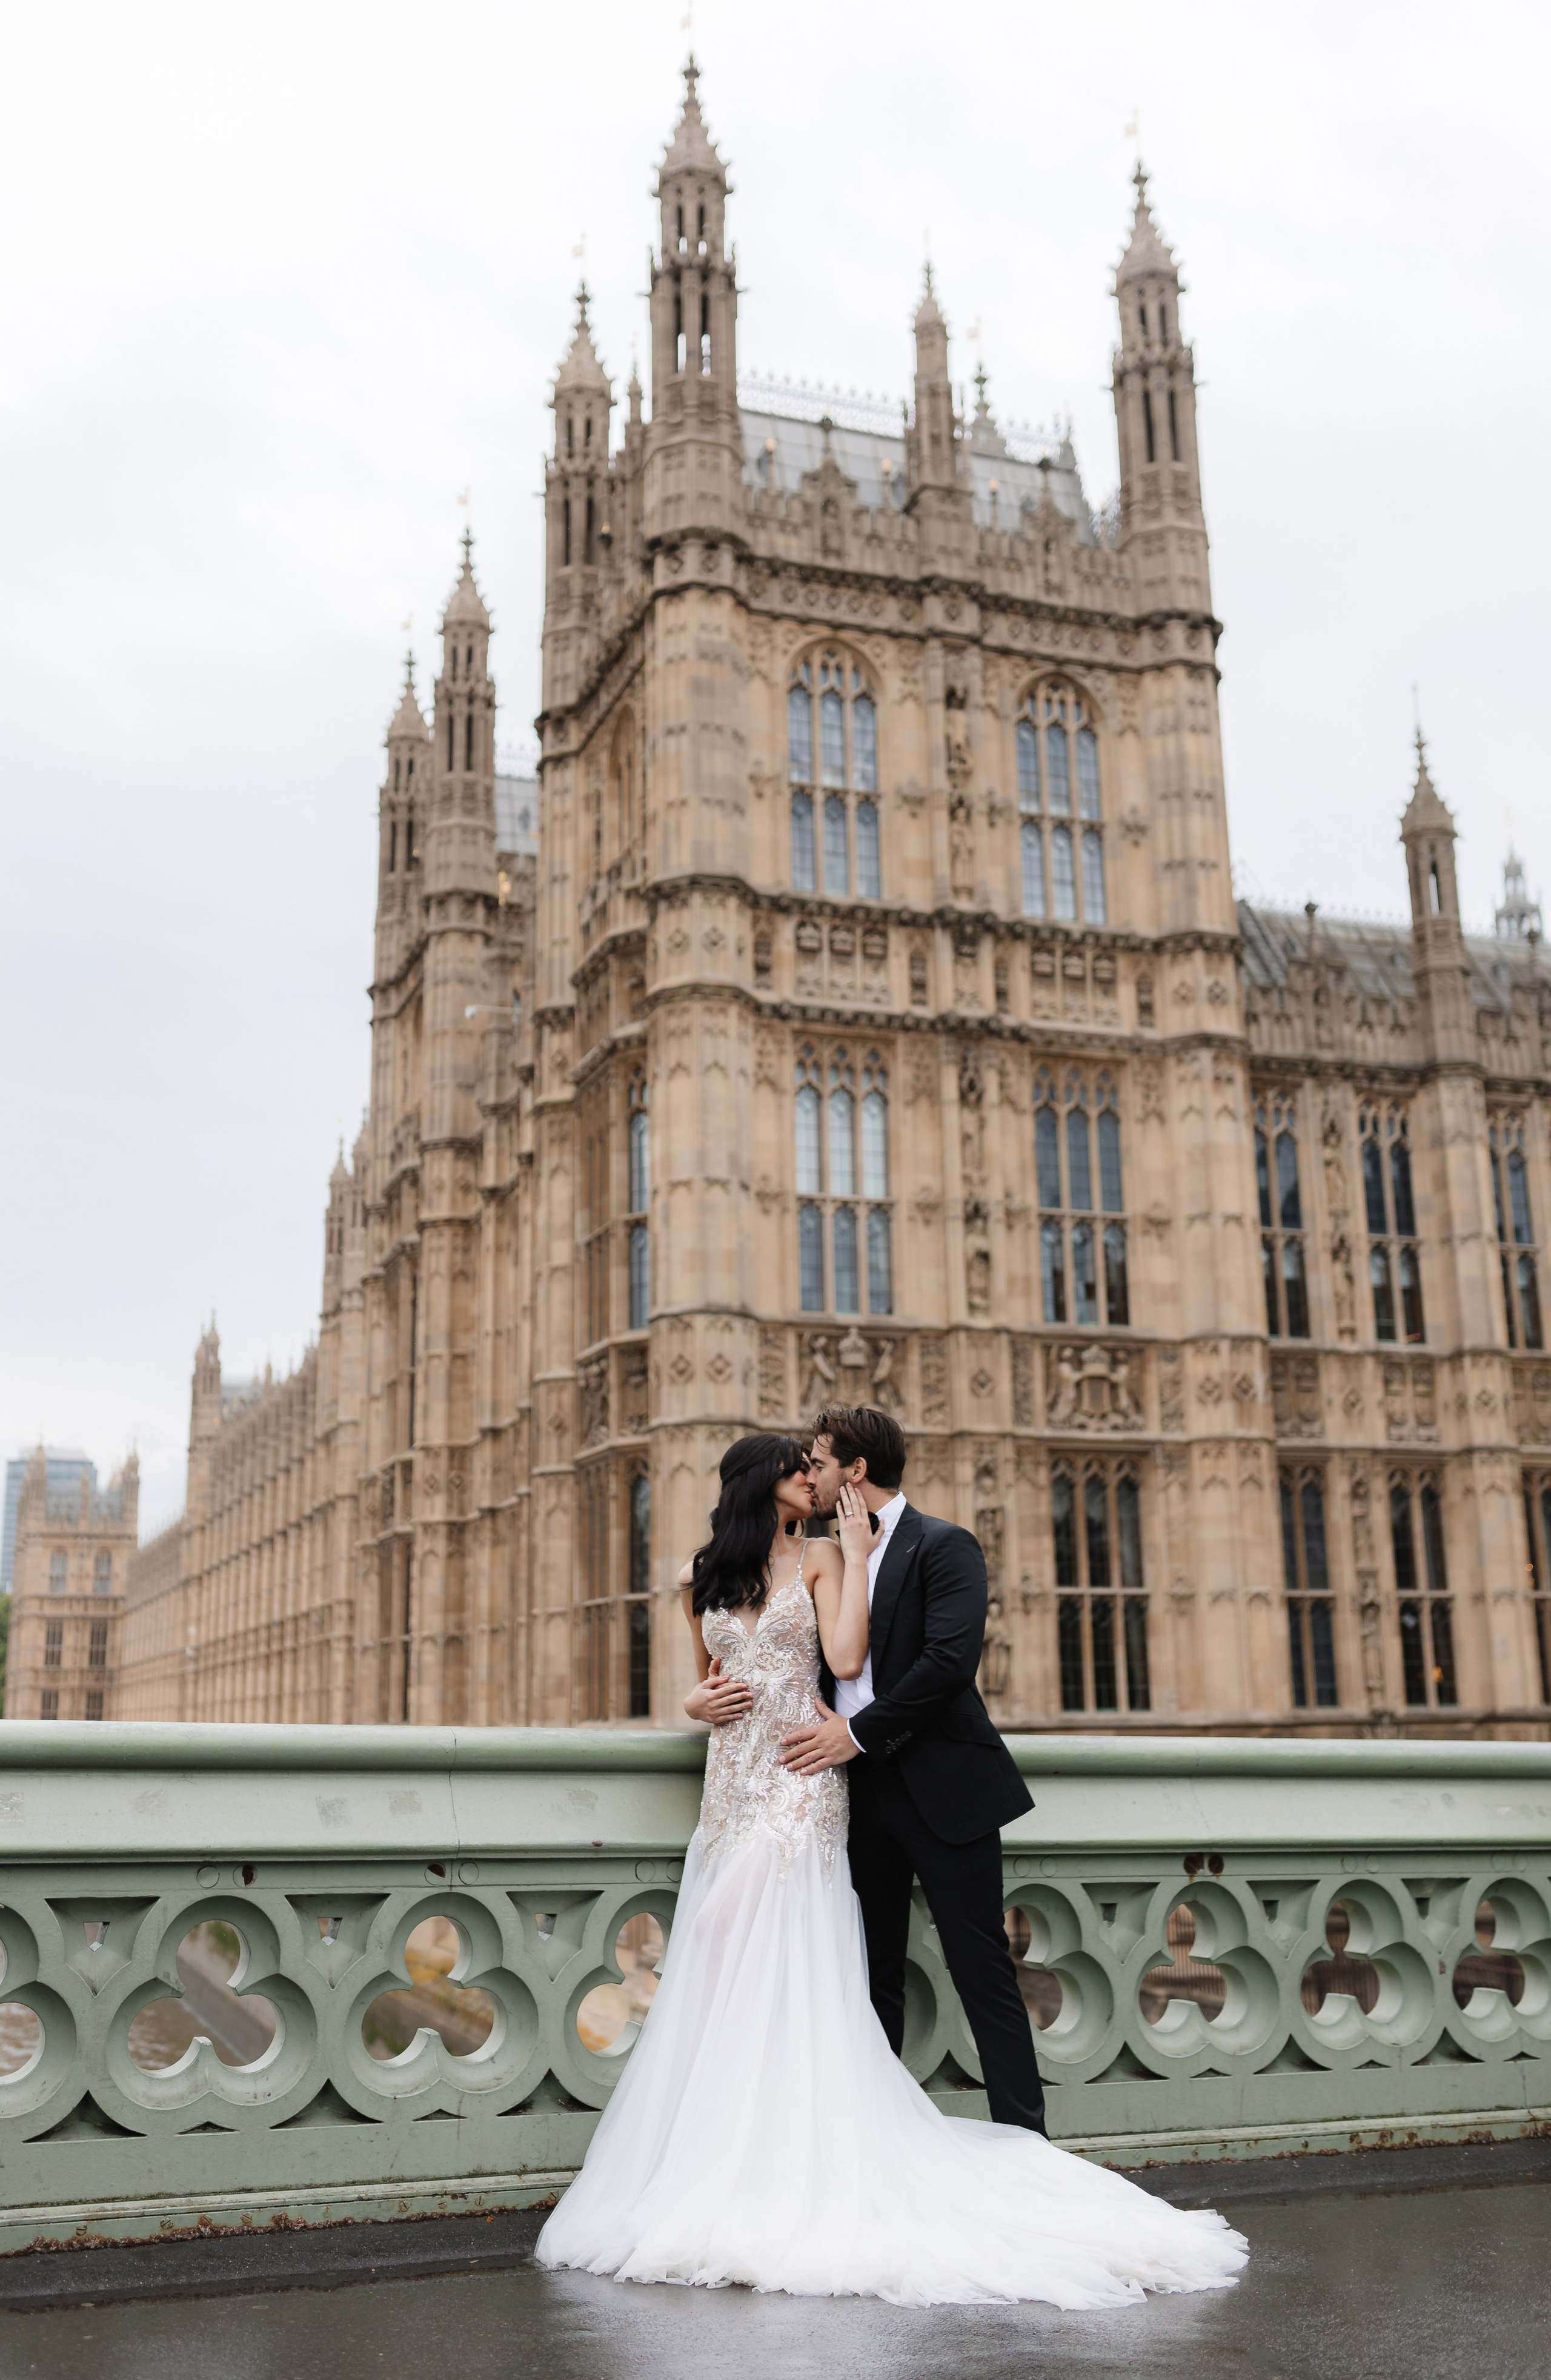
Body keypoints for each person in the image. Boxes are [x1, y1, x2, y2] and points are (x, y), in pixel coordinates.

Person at [536, 1424, 1246, 2307]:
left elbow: (889, 1662)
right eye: (800, 1468)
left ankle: (1018, 2140)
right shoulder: (705, 1574)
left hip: (828, 1773)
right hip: (743, 1780)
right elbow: (707, 1673)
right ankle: (749, 2144)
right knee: (798, 1965)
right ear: (769, 1482)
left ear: (852, 1472)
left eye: (821, 1462)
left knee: (964, 1960)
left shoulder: (876, 1551)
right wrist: (692, 1696)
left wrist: (859, 1583)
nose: (813, 1476)